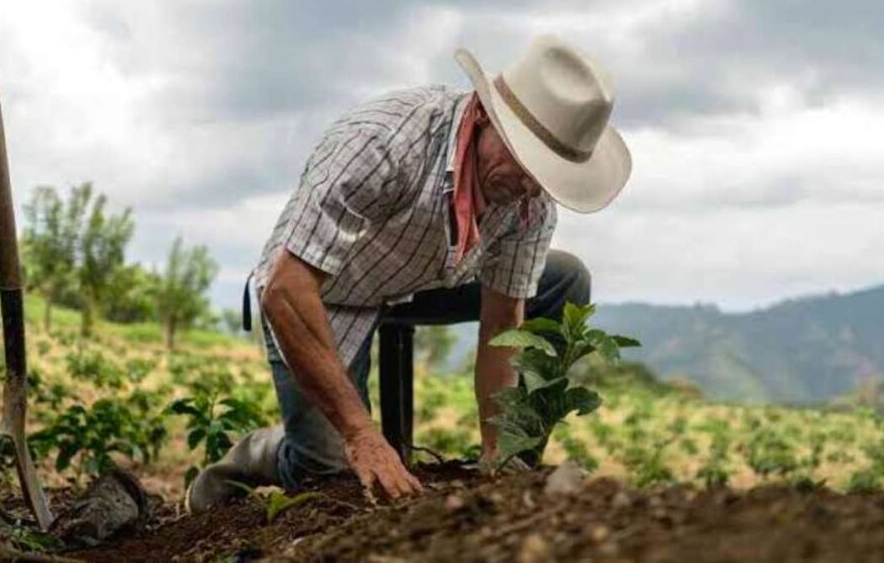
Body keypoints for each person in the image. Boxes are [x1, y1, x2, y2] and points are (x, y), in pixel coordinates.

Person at [186, 35, 632, 512]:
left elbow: (503, 324)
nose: (529, 187)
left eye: (545, 176)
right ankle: (259, 453)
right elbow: (286, 287)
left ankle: (515, 466)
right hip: (324, 290)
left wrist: (498, 459)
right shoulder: (385, 142)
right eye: (525, 163)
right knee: (329, 471)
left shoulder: (529, 201)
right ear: (485, 116)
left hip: (422, 279)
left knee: (564, 278)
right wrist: (361, 434)